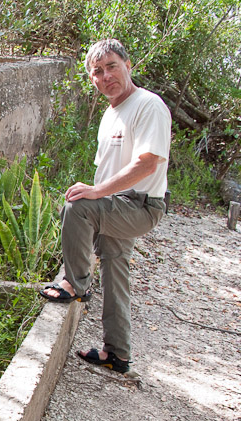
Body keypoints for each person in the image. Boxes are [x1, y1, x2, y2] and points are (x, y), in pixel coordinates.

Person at [39, 39, 171, 374]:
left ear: (129, 66)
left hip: (140, 205)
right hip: (118, 204)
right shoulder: (111, 113)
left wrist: (96, 193)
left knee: (77, 207)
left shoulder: (148, 105)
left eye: (111, 66)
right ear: (92, 79)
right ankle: (118, 353)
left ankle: (74, 283)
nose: (105, 75)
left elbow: (148, 163)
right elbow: (110, 166)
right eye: (97, 71)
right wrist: (102, 194)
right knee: (115, 273)